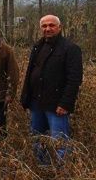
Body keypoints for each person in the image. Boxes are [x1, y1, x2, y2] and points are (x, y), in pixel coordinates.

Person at [20, 15, 83, 165]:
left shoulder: (70, 49)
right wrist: (26, 98)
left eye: (51, 25)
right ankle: (44, 167)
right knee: (37, 138)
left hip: (56, 105)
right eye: (44, 26)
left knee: (59, 141)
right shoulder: (38, 46)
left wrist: (65, 104)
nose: (48, 29)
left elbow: (74, 79)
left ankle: (63, 170)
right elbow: (30, 74)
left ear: (59, 28)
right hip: (36, 103)